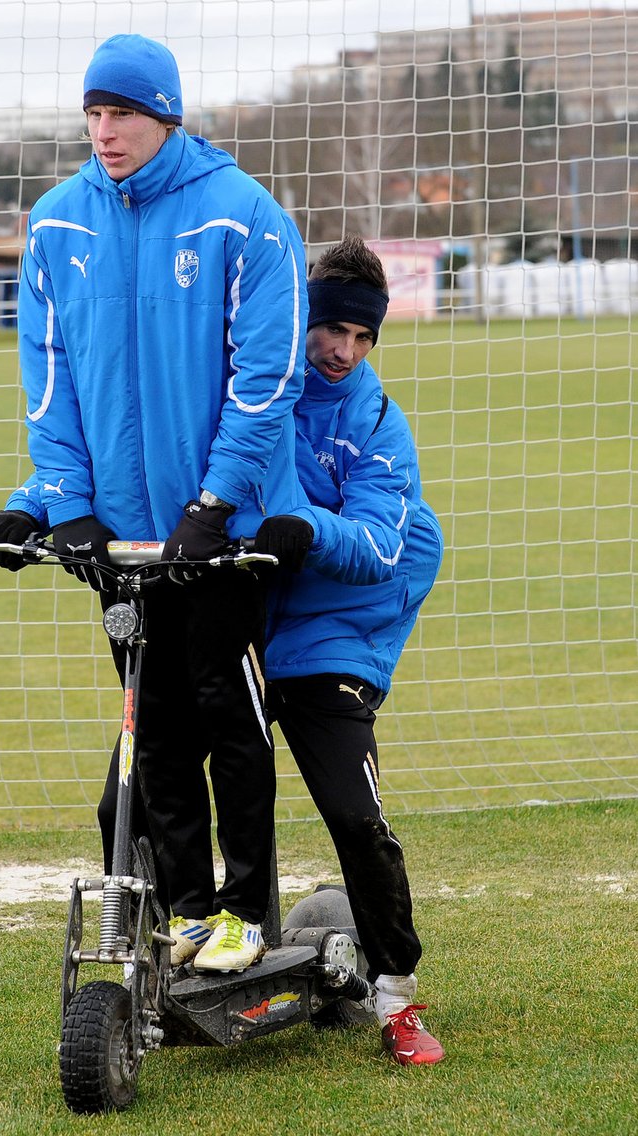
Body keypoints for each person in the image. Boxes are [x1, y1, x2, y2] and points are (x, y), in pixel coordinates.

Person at [0, 32, 309, 974]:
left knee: (229, 718)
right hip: (123, 541)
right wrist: (70, 507)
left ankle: (249, 909)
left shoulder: (242, 216)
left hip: (225, 537)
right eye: (93, 113)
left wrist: (217, 503)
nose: (105, 131)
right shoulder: (56, 224)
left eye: (122, 113)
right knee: (152, 725)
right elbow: (49, 382)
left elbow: (268, 375)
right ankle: (192, 911)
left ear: (166, 114)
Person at [252, 234, 445, 1065]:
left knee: (356, 819)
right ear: (301, 318)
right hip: (246, 622)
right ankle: (203, 950)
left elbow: (373, 545)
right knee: (163, 789)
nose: (343, 350)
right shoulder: (255, 386)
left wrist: (306, 527)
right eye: (332, 328)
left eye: (362, 337)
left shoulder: (376, 420)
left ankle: (396, 995)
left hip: (337, 629)